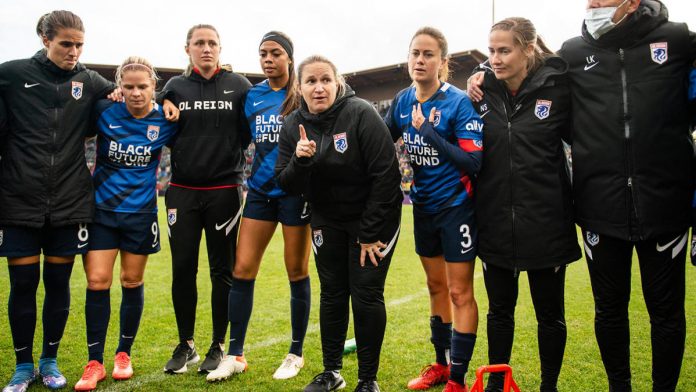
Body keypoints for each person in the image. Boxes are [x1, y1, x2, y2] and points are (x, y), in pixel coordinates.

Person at [467, 1, 696, 390]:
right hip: (599, 206)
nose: (593, 4)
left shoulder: (678, 39)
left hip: (665, 203)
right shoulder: (572, 54)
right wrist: (481, 71)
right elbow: (530, 71)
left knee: (667, 313)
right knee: (609, 310)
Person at [0, 10, 117, 392]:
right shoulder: (12, 74)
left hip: (69, 201)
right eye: (66, 43)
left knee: (58, 283)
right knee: (22, 285)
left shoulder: (88, 79)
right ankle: (22, 365)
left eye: (80, 44)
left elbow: (133, 88)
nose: (74, 51)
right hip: (19, 199)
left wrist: (163, 99)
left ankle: (49, 362)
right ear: (44, 38)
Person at [276, 55, 402, 392]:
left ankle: (367, 379)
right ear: (299, 87)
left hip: (374, 219)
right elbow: (285, 183)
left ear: (337, 82)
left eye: (326, 80)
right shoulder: (292, 126)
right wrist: (300, 161)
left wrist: (369, 233)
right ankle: (332, 372)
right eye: (311, 82)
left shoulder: (360, 113)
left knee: (365, 294)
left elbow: (387, 177)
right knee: (332, 293)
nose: (319, 88)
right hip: (327, 219)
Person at [471, 18, 581, 392]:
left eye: (505, 50)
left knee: (549, 315)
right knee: (499, 312)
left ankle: (548, 386)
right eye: (491, 51)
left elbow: (585, 140)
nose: (496, 59)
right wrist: (478, 71)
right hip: (496, 222)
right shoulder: (481, 90)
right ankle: (496, 386)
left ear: (527, 49)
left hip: (547, 223)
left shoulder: (558, 88)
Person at [206, 31, 311, 382]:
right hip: (260, 194)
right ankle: (235, 354)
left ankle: (295, 352)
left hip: (297, 194)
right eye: (263, 53)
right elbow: (237, 138)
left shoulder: (305, 95)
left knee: (296, 271)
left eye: (276, 53)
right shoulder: (253, 97)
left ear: (289, 58)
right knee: (243, 269)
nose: (268, 59)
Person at [384, 27, 483, 392]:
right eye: (415, 53)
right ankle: (440, 366)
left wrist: (428, 134)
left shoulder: (458, 102)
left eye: (428, 54)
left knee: (460, 293)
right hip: (422, 208)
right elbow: (381, 139)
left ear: (443, 62)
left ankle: (457, 377)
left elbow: (473, 163)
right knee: (434, 286)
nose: (420, 60)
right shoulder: (402, 100)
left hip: (456, 208)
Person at [73, 56, 178, 390]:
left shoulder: (166, 118)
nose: (135, 93)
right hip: (102, 212)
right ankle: (94, 362)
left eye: (142, 86)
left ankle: (123, 354)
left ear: (154, 88)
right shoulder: (104, 111)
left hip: (141, 214)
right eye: (129, 87)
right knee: (98, 282)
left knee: (132, 282)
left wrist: (169, 103)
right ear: (119, 87)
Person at [159, 24, 252, 375]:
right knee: (183, 269)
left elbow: (247, 132)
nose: (207, 48)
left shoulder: (239, 85)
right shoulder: (176, 88)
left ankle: (217, 343)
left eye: (213, 42)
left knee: (221, 272)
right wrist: (163, 98)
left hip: (224, 191)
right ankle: (186, 345)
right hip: (182, 190)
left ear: (221, 48)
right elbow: (162, 113)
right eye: (200, 43)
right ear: (188, 49)